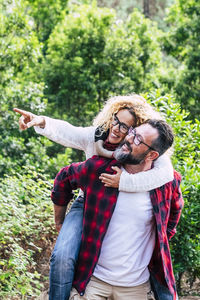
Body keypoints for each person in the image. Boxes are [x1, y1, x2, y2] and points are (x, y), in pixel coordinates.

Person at [14, 95, 174, 299]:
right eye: (115, 120)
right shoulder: (97, 136)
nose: (116, 128)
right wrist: (42, 121)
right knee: (62, 256)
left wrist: (124, 182)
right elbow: (68, 132)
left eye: (126, 127)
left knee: (158, 259)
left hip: (120, 204)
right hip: (88, 200)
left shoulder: (137, 149)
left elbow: (166, 174)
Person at [52, 119, 183, 300]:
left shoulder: (165, 184)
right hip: (93, 282)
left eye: (138, 140)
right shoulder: (99, 170)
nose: (129, 138)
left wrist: (158, 239)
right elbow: (63, 179)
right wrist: (59, 221)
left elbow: (174, 214)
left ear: (152, 155)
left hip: (136, 287)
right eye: (133, 132)